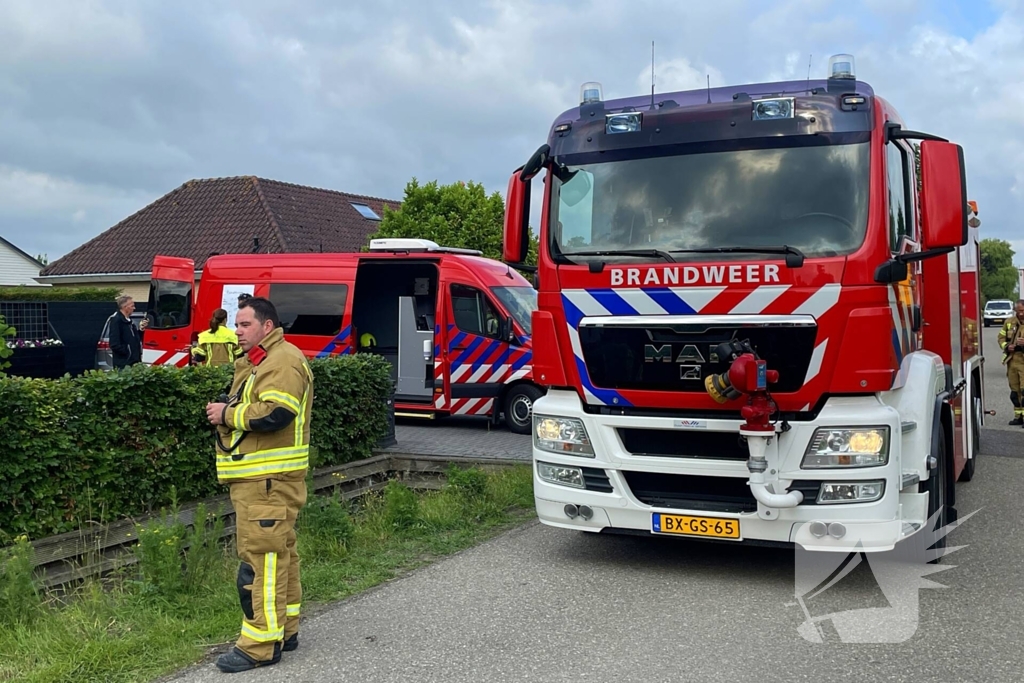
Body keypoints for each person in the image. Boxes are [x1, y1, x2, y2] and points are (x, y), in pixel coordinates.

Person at [205, 297, 313, 673]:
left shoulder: (281, 360)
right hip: (268, 480)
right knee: (280, 555)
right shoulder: (264, 360)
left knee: (261, 561)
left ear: (267, 326)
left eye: (244, 324)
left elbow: (277, 413)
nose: (237, 331)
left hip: (266, 481)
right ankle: (285, 629)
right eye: (236, 324)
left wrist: (227, 414)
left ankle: (259, 645)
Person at [998, 299, 1024, 426]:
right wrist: (1007, 346)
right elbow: (1001, 337)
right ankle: (1018, 416)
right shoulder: (1009, 322)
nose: (1021, 314)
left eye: (1023, 311)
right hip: (1012, 361)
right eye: (1018, 311)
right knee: (1015, 391)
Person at [108, 295, 148, 369]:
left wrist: (141, 329)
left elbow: (134, 339)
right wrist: (128, 352)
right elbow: (114, 344)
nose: (134, 308)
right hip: (124, 364)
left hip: (134, 362)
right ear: (125, 307)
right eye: (132, 306)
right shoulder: (116, 321)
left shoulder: (129, 321)